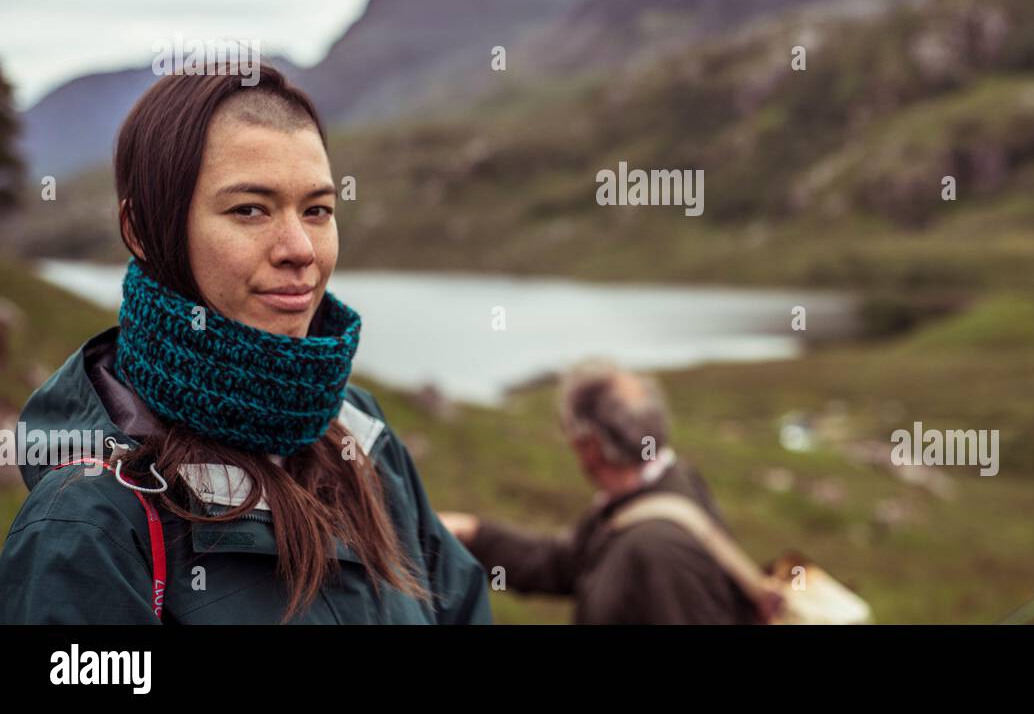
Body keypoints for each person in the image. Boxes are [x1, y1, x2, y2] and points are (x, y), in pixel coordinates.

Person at [0, 62, 490, 624]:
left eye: (317, 210)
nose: (300, 248)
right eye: (249, 210)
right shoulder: (88, 522)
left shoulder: (361, 434)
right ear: (141, 231)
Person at [439, 361, 760, 624]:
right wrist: (474, 534)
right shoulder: (646, 493)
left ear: (590, 444)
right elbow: (562, 564)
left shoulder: (658, 549)